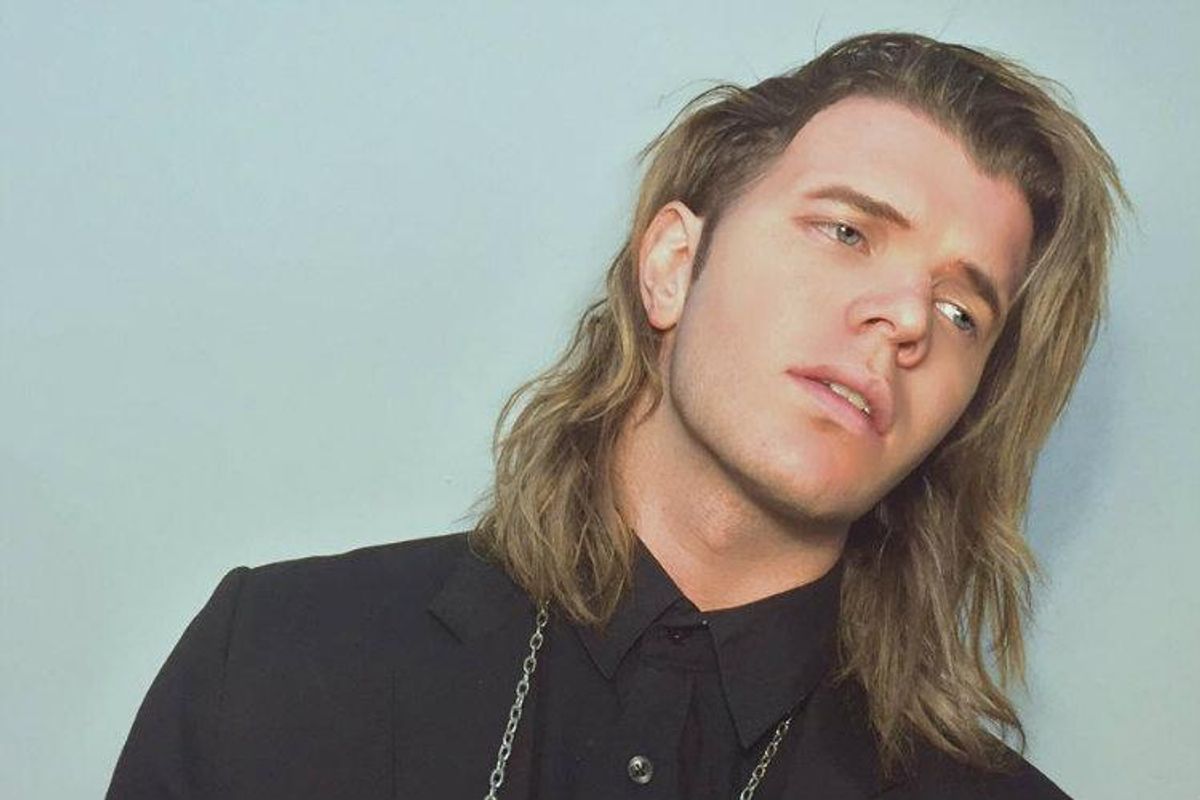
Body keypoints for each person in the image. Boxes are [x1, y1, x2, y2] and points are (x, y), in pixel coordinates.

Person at [106, 31, 1125, 799]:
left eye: (960, 311)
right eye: (848, 231)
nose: (905, 317)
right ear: (674, 264)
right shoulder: (280, 657)